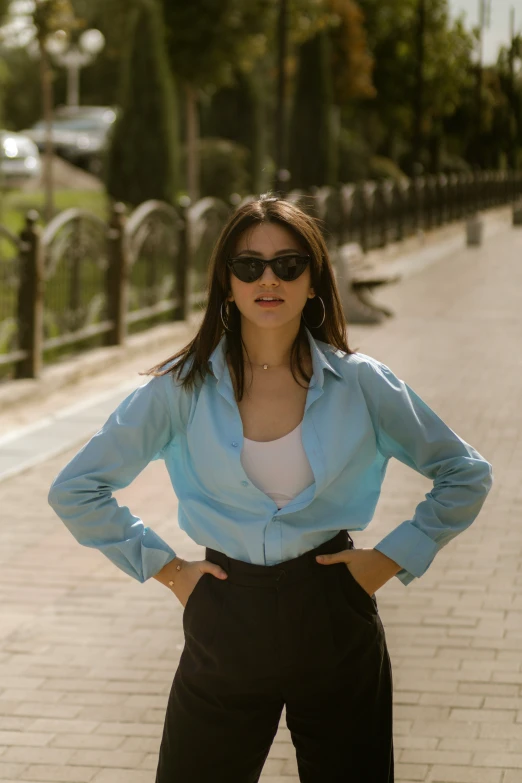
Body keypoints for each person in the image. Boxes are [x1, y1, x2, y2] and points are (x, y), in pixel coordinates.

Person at [48, 195, 493, 783]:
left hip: (335, 611)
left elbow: (465, 472)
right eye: (248, 265)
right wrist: (168, 570)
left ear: (314, 281)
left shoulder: (361, 383)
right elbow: (76, 488)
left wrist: (387, 561)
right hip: (226, 614)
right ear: (225, 282)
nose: (268, 279)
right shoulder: (180, 389)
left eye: (288, 265)